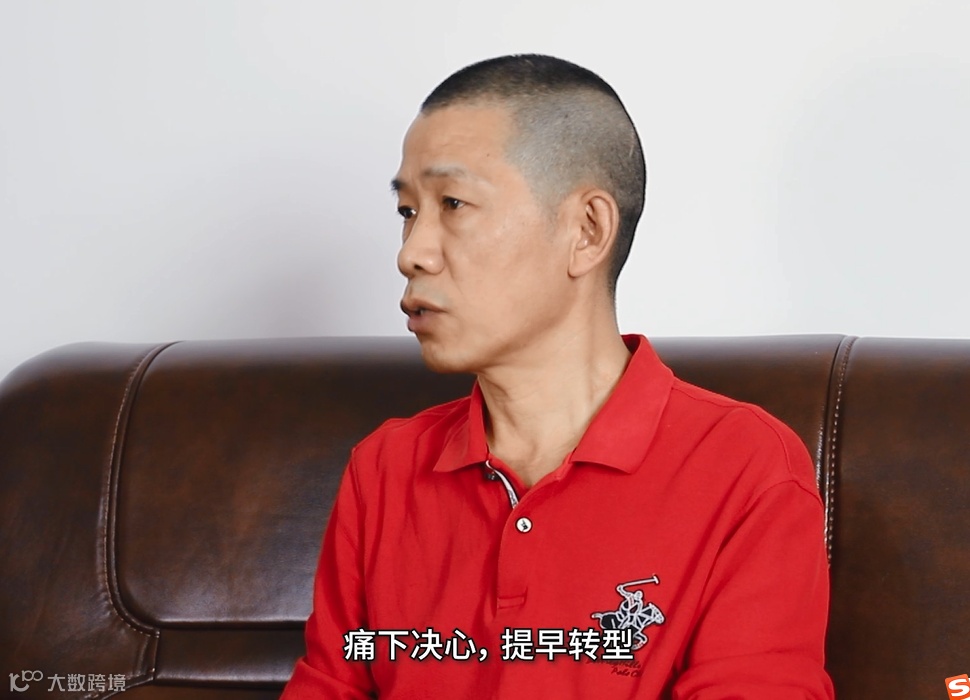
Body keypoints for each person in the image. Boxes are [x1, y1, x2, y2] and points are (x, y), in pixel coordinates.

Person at [282, 54, 834, 699]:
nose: (412, 253)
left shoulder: (746, 469)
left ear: (586, 231)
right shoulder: (384, 469)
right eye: (408, 210)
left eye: (453, 203)